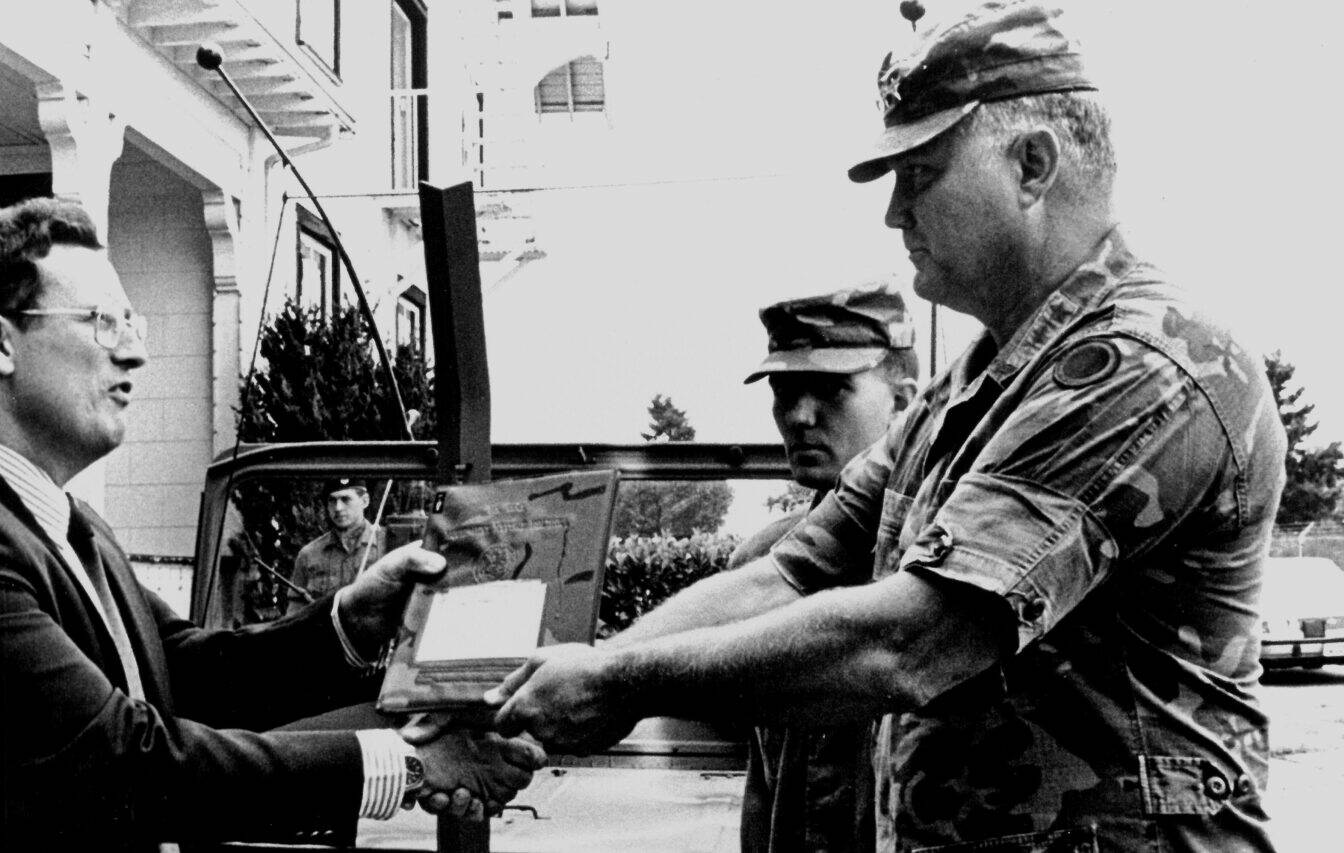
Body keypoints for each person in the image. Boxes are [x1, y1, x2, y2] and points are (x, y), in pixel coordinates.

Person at [489, 3, 1285, 850]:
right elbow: (788, 573)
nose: (894, 213)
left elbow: (912, 641)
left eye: (923, 172)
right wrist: (554, 692)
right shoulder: (969, 388)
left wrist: (612, 682)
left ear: (1032, 164)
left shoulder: (1145, 361)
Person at [0, 197, 543, 852]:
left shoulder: (70, 527)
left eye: (131, 325)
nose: (135, 351)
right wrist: (410, 762)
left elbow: (190, 673)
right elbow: (117, 761)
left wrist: (354, 618)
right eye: (102, 321)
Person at [730, 287, 918, 852]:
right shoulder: (758, 566)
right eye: (785, 391)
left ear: (905, 405)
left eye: (833, 390)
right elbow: (763, 781)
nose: (799, 416)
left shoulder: (941, 568)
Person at [292, 479, 390, 604]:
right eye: (332, 501)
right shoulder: (308, 555)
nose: (338, 508)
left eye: (346, 499)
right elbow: (295, 612)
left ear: (365, 501)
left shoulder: (389, 545)